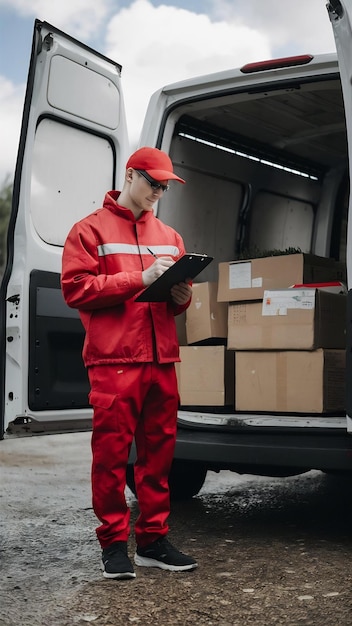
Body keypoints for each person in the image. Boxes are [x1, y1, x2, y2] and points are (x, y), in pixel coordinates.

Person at [61, 146, 197, 580]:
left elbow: (176, 299)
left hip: (161, 359)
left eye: (164, 185)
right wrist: (138, 279)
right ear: (130, 175)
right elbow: (75, 288)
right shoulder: (89, 231)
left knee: (158, 456)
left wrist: (182, 297)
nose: (158, 191)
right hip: (115, 360)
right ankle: (114, 545)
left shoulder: (171, 236)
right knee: (111, 456)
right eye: (152, 182)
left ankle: (153, 541)